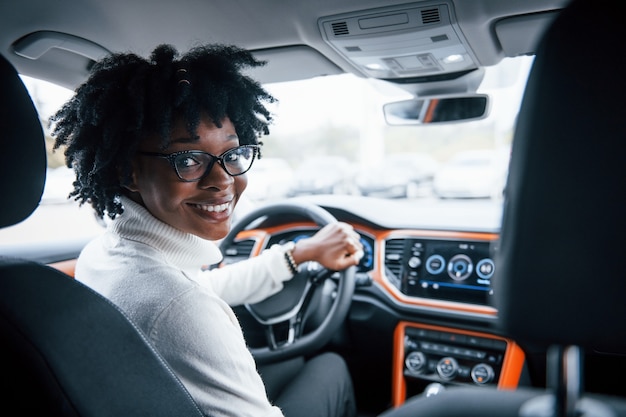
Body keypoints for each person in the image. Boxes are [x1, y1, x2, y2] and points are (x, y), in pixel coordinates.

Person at [50, 43, 363, 417]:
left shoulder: (108, 253)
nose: (223, 180)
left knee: (298, 367)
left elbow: (205, 288)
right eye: (188, 159)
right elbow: (186, 303)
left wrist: (297, 255)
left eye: (232, 155)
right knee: (332, 368)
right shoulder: (178, 307)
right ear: (127, 172)